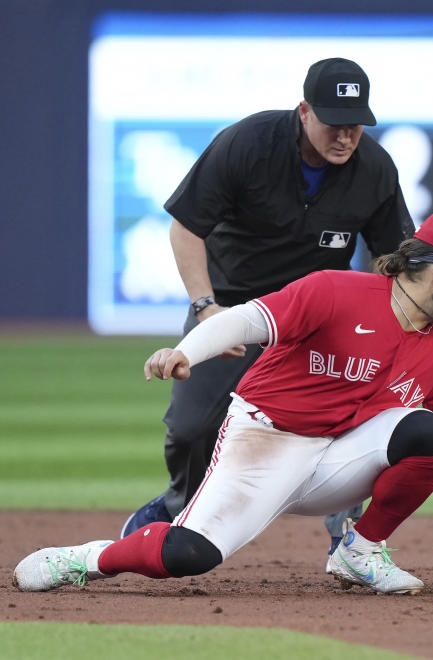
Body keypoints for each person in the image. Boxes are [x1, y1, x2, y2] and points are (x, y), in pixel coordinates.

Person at [16, 211, 433, 596]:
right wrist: (186, 351)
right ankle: (88, 557)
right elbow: (246, 320)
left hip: (340, 458)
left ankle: (359, 551)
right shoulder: (337, 291)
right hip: (266, 440)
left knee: (425, 432)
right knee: (188, 553)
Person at [121, 57, 415, 559]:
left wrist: (380, 326)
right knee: (193, 428)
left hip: (318, 320)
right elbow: (187, 226)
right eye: (333, 122)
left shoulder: (374, 168)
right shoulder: (247, 144)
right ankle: (178, 504)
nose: (345, 136)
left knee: (359, 420)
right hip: (232, 305)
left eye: (355, 125)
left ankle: (348, 530)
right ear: (304, 112)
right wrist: (205, 306)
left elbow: (393, 259)